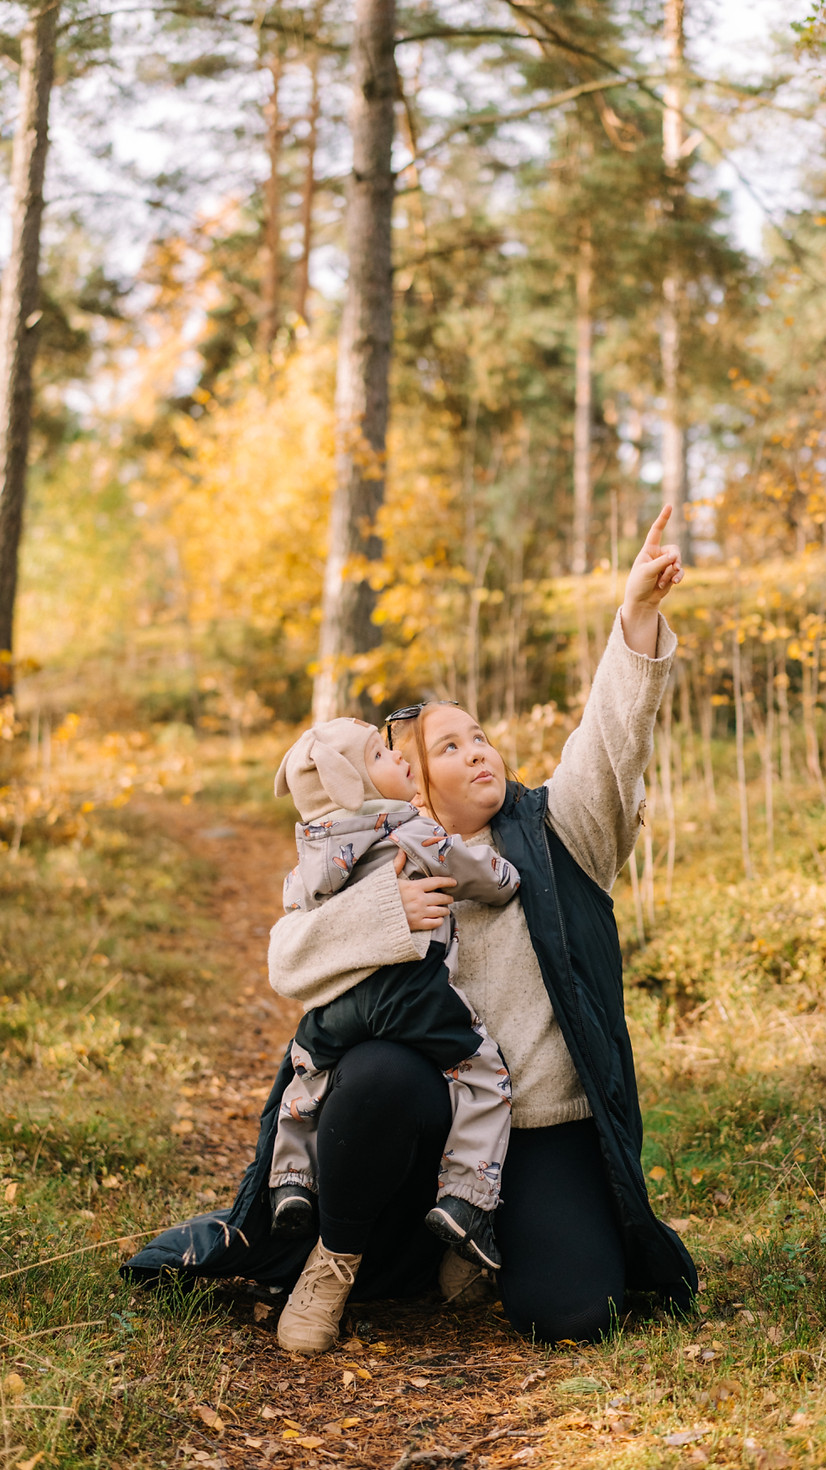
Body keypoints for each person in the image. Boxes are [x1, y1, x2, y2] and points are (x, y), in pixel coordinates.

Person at [121, 505, 698, 1354]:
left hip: (540, 1125)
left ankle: (471, 1245)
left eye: (480, 737)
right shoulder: (376, 859)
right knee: (380, 1071)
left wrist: (636, 615)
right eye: (449, 746)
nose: (477, 753)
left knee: (572, 1315)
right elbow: (289, 959)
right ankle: (337, 1259)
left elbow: (611, 739)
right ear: (414, 787)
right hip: (429, 1113)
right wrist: (391, 912)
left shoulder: (558, 832)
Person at [266, 715, 520, 1314]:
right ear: (353, 782)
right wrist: (507, 877)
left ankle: (292, 1180)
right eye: (382, 754)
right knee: (481, 1069)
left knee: (307, 1074)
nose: (397, 759)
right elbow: (484, 876)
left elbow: (295, 912)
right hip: (407, 993)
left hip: (339, 1007)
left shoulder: (308, 854)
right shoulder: (411, 831)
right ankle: (466, 1197)